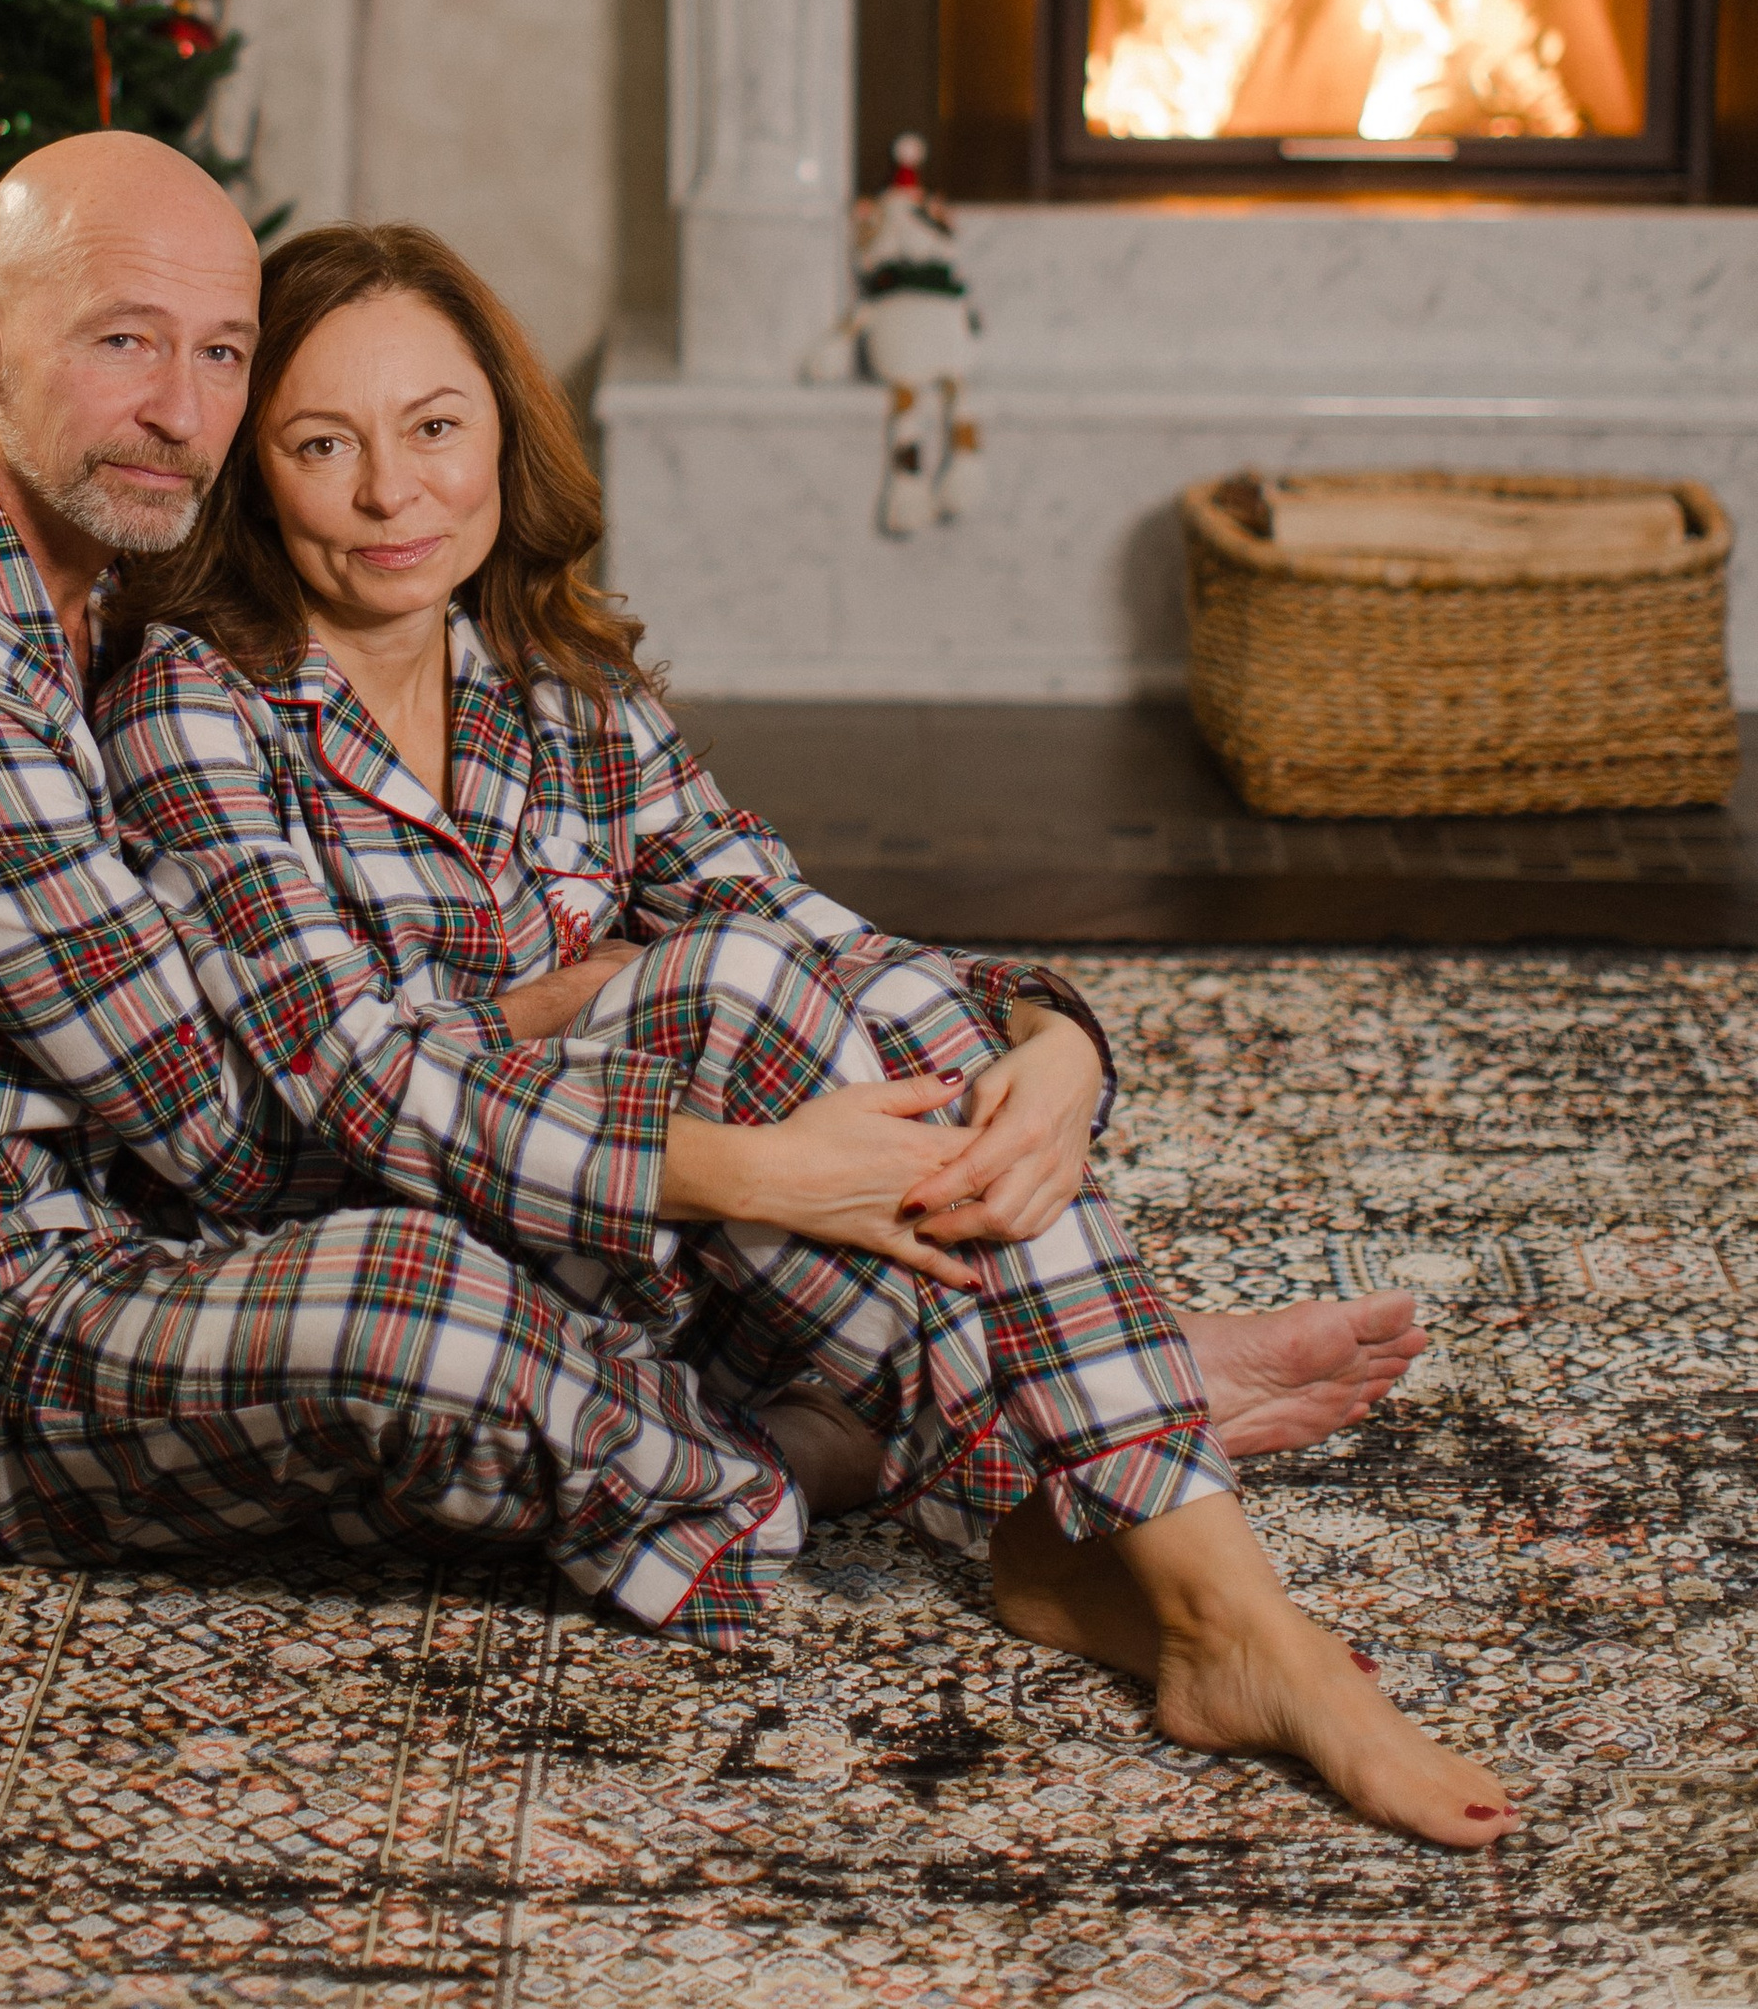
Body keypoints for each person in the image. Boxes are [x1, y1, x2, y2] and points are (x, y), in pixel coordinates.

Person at [100, 217, 1516, 1848]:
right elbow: (353, 1082)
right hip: (411, 1276)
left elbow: (793, 921)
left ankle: (1158, 1561)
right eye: (320, 444)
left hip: (654, 1242)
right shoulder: (195, 708)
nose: (390, 493)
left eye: (435, 427)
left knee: (768, 983)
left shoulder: (562, 687)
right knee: (726, 996)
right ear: (253, 476)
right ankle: (1157, 1495)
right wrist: (685, 1100)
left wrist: (1049, 1041)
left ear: (500, 430)